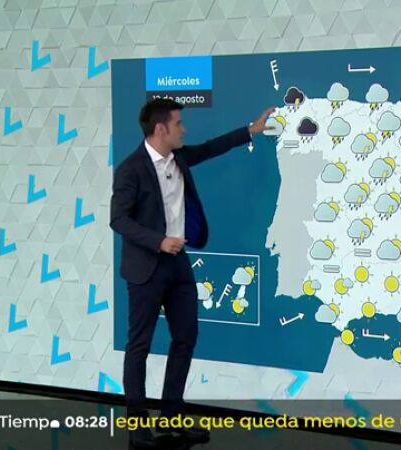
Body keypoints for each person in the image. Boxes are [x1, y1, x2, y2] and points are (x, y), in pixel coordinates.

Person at [110, 98, 274, 447]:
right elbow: (118, 219)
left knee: (185, 337)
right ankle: (137, 425)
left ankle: (172, 416)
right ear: (160, 129)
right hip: (146, 267)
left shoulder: (179, 157)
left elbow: (211, 148)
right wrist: (158, 241)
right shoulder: (131, 169)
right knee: (139, 346)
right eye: (178, 124)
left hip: (178, 263)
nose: (184, 129)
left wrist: (251, 130)